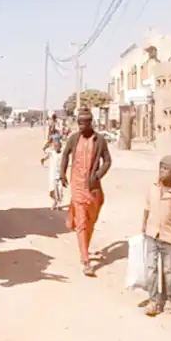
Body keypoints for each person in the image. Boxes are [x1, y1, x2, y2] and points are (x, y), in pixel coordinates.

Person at [59, 107, 112, 277]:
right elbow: (65, 154)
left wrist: (98, 175)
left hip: (93, 187)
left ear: (91, 123)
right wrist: (62, 173)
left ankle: (85, 249)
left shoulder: (100, 140)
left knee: (91, 220)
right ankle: (86, 260)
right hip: (77, 186)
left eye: (84, 123)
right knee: (81, 221)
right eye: (79, 123)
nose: (81, 126)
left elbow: (107, 161)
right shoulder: (74, 138)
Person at [141, 155, 171, 316]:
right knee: (151, 268)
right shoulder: (152, 187)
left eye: (166, 169)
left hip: (168, 237)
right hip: (151, 233)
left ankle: (169, 298)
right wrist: (144, 223)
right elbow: (147, 207)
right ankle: (153, 300)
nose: (162, 171)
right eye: (161, 167)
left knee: (168, 271)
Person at [41, 134, 63, 210]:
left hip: (60, 175)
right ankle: (56, 202)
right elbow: (45, 151)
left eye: (58, 146)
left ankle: (57, 202)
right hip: (53, 175)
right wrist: (49, 142)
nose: (56, 147)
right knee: (54, 189)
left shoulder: (62, 154)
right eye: (55, 146)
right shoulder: (52, 152)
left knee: (60, 189)